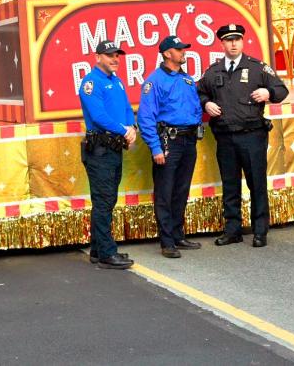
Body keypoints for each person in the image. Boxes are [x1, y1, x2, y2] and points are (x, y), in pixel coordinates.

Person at [197, 23, 288, 248]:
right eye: (229, 40)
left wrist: (269, 92)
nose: (234, 43)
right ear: (222, 43)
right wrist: (206, 103)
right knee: (230, 185)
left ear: (243, 41)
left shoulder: (257, 68)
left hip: (252, 136)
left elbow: (282, 90)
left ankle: (260, 230)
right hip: (225, 137)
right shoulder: (214, 70)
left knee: (256, 183)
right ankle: (233, 229)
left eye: (237, 39)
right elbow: (199, 92)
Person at [138, 34, 205, 258]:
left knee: (181, 190)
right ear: (168, 54)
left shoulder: (186, 79)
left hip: (188, 140)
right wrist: (156, 148)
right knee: (165, 193)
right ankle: (167, 242)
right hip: (169, 141)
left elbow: (195, 107)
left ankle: (178, 235)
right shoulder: (154, 81)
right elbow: (146, 118)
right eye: (179, 49)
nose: (183, 52)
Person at [77, 40, 137, 269]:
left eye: (117, 55)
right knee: (103, 201)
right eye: (110, 55)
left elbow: (126, 109)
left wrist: (132, 128)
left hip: (113, 148)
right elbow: (99, 116)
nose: (115, 59)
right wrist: (124, 131)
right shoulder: (91, 83)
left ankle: (98, 248)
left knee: (108, 199)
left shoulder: (117, 81)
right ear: (97, 57)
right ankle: (107, 254)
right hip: (100, 150)